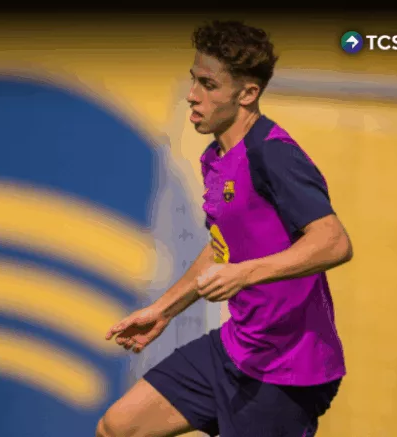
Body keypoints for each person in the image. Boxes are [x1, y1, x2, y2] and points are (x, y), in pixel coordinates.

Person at [96, 19, 353, 437]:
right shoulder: (215, 158)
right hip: (235, 349)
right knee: (119, 427)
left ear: (247, 93)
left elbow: (334, 241)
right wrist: (163, 311)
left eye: (208, 85)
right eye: (193, 80)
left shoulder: (273, 154)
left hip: (286, 372)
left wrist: (244, 273)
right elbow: (222, 247)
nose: (192, 95)